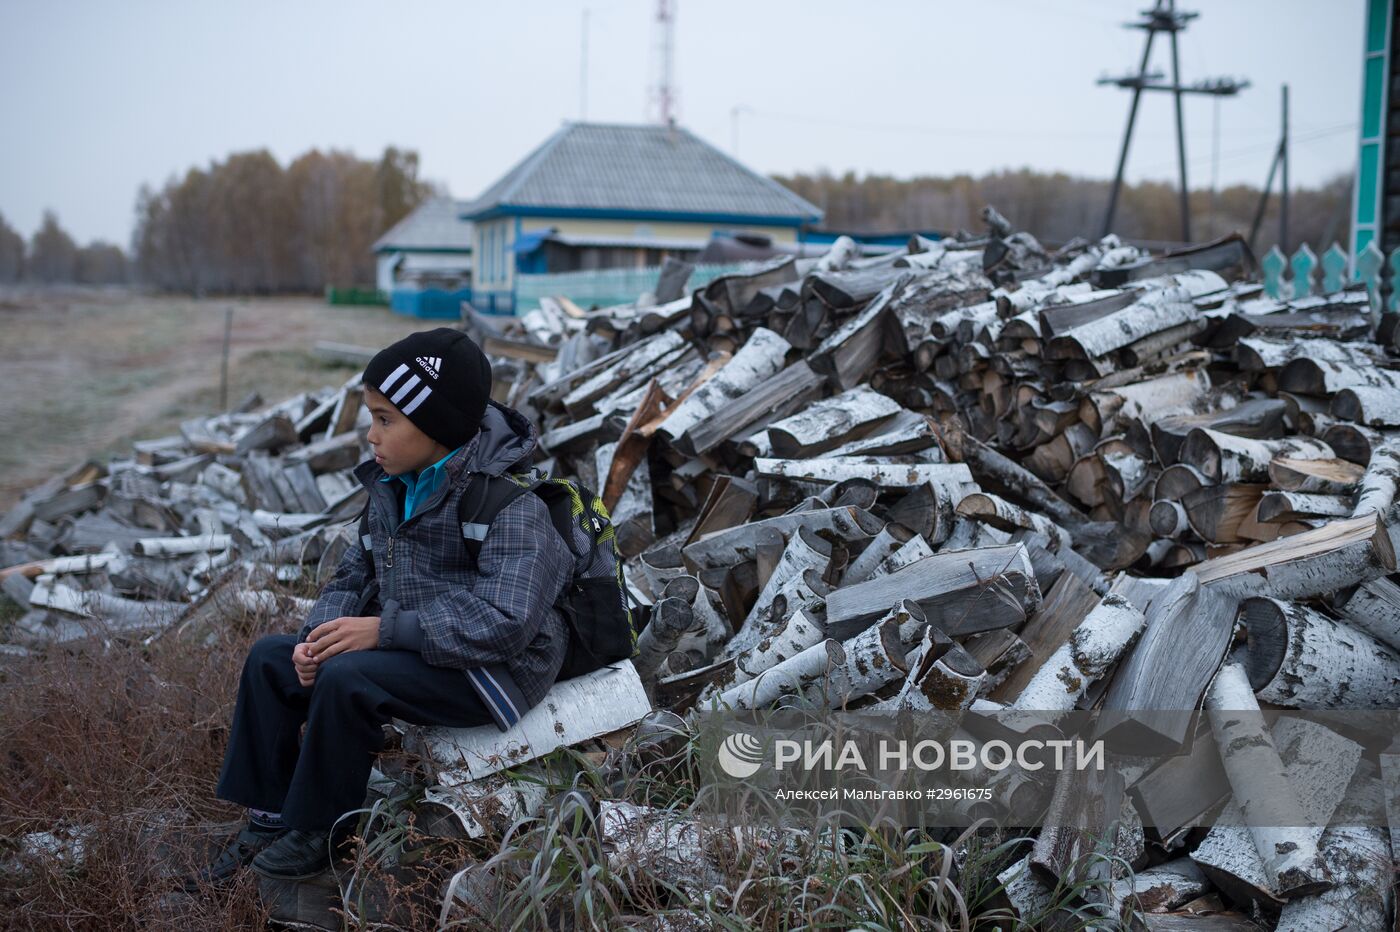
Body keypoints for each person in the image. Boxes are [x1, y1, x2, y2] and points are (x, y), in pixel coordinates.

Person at [187, 328, 574, 887]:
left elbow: (507, 622)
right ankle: (269, 817)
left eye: (385, 420)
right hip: (414, 650)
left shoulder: (511, 505)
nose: (371, 436)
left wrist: (382, 632)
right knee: (272, 659)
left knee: (350, 678)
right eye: (371, 417)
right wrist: (317, 637)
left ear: (436, 425)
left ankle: (323, 827)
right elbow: (354, 574)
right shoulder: (393, 489)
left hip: (495, 672)